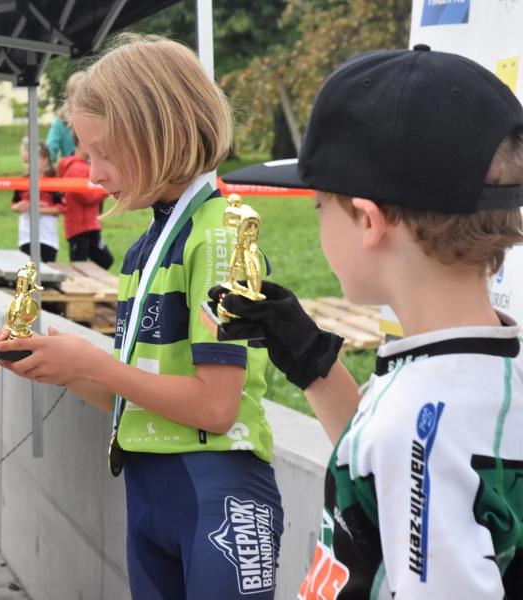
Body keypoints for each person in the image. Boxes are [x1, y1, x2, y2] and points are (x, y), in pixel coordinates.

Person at [213, 46, 523, 599]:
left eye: (318, 205)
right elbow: (393, 474)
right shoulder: (480, 370)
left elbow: (412, 453)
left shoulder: (419, 421)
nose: (317, 223)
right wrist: (313, 364)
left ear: (369, 222)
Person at [0, 34, 282, 599]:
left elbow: (216, 408)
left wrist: (93, 365)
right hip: (152, 488)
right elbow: (136, 398)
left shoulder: (221, 234)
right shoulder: (145, 248)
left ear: (158, 136)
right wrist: (62, 367)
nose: (92, 173)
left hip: (218, 488)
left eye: (101, 152)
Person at [57, 130, 113, 270]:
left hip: (91, 225)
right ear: (80, 143)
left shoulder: (87, 166)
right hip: (78, 228)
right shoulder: (74, 169)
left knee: (105, 260)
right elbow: (86, 197)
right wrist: (105, 191)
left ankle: (94, 287)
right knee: (79, 266)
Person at [12, 140, 65, 263]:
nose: (28, 165)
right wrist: (18, 207)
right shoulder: (21, 183)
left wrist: (36, 210)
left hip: (47, 238)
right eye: (25, 162)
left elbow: (62, 208)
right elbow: (14, 204)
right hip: (26, 237)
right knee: (28, 273)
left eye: (31, 161)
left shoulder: (53, 183)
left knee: (47, 274)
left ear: (45, 160)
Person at [45, 71, 85, 163]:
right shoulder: (61, 121)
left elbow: (49, 152)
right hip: (76, 172)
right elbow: (50, 152)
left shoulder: (60, 120)